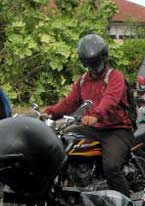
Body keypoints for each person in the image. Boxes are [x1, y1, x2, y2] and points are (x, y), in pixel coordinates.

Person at [45, 34, 133, 197]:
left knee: (111, 167)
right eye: (90, 63)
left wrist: (96, 114)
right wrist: (50, 113)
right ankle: (75, 183)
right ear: (84, 63)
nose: (94, 67)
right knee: (63, 141)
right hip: (92, 128)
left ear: (104, 58)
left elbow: (110, 99)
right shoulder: (83, 81)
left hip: (117, 129)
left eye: (97, 62)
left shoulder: (115, 76)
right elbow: (70, 103)